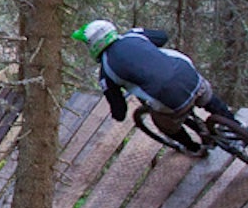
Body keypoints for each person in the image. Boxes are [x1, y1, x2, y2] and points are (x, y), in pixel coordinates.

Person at [71, 19, 236, 153]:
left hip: (170, 101)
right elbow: (162, 37)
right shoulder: (134, 36)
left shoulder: (106, 73)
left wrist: (116, 114)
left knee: (166, 126)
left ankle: (194, 148)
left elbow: (120, 113)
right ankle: (236, 127)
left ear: (93, 45)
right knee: (207, 97)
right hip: (188, 75)